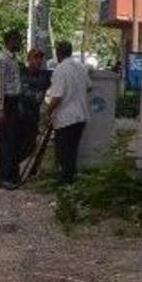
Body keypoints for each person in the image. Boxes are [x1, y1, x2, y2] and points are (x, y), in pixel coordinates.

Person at [44, 40, 91, 184]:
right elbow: (89, 87)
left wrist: (46, 112)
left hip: (65, 118)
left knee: (63, 153)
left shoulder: (60, 69)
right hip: (81, 116)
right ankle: (70, 184)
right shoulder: (81, 67)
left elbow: (57, 96)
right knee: (73, 152)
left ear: (58, 53)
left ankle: (64, 183)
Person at [0, 30, 24, 189]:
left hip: (13, 102)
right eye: (18, 39)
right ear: (10, 40)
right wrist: (0, 108)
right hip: (6, 103)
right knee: (5, 142)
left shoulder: (12, 59)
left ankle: (9, 175)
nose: (20, 43)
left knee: (12, 141)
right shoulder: (2, 60)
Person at [18, 48, 51, 163]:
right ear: (29, 59)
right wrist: (37, 96)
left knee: (30, 146)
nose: (38, 61)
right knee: (18, 146)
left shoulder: (45, 75)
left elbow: (62, 75)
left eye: (40, 58)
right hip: (20, 116)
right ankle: (11, 172)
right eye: (35, 58)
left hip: (34, 117)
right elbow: (23, 91)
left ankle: (13, 170)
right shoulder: (22, 73)